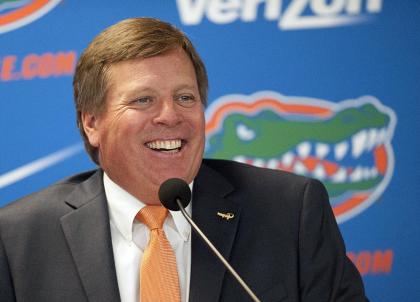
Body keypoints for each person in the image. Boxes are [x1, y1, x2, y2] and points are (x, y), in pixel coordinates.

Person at [0, 17, 368, 302]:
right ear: (92, 122)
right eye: (143, 100)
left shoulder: (290, 212)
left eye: (185, 98)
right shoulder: (18, 238)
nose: (170, 115)